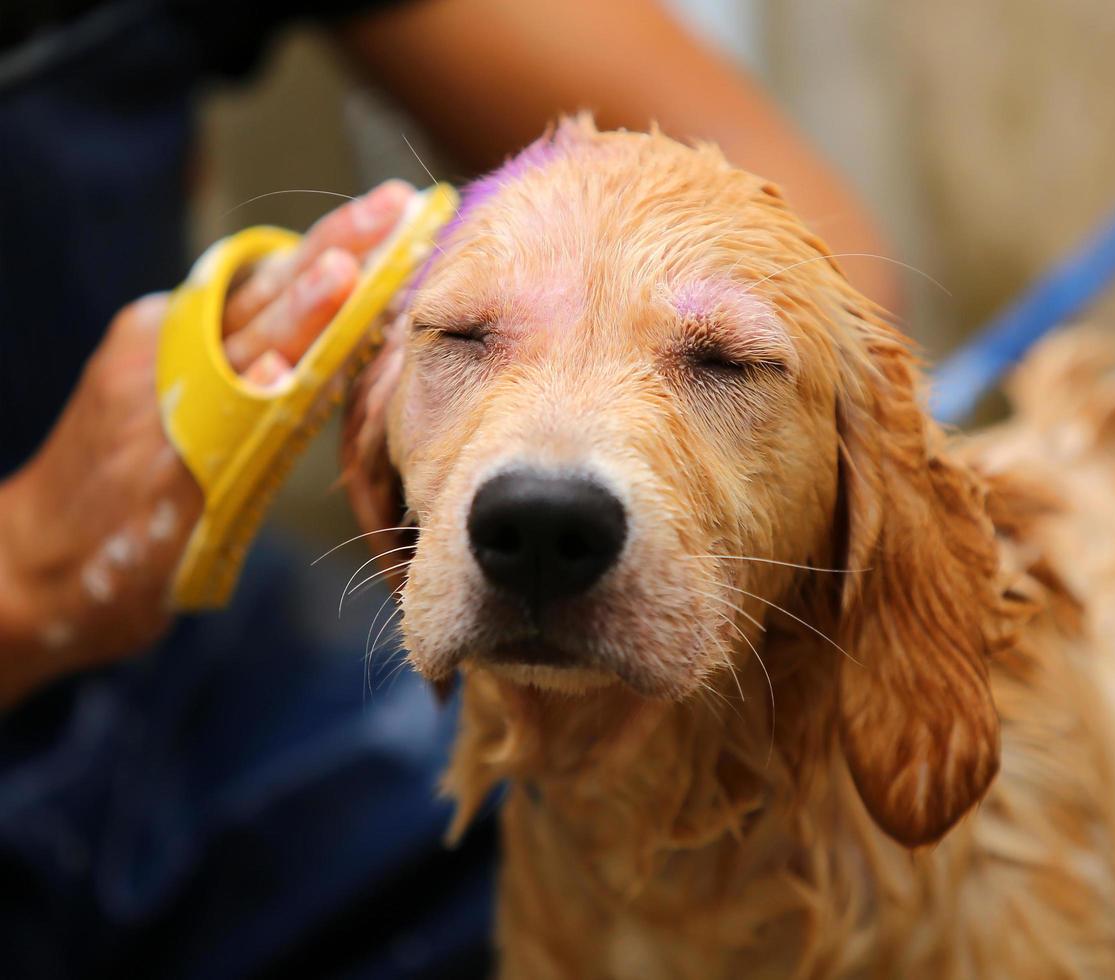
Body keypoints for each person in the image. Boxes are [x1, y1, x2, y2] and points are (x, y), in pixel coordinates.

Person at [0, 0, 897, 975]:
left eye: (717, 359)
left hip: (200, 700)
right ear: (368, 470)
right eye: (463, 335)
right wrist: (29, 571)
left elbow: (815, 240)